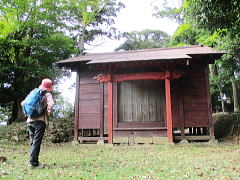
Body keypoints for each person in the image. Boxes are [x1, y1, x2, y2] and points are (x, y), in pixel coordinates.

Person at [22, 78, 54, 169]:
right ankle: (33, 163)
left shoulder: (34, 92)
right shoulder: (47, 94)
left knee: (32, 141)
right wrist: (48, 110)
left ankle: (32, 161)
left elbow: (23, 103)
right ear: (49, 87)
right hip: (40, 121)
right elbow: (51, 105)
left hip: (30, 120)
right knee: (36, 142)